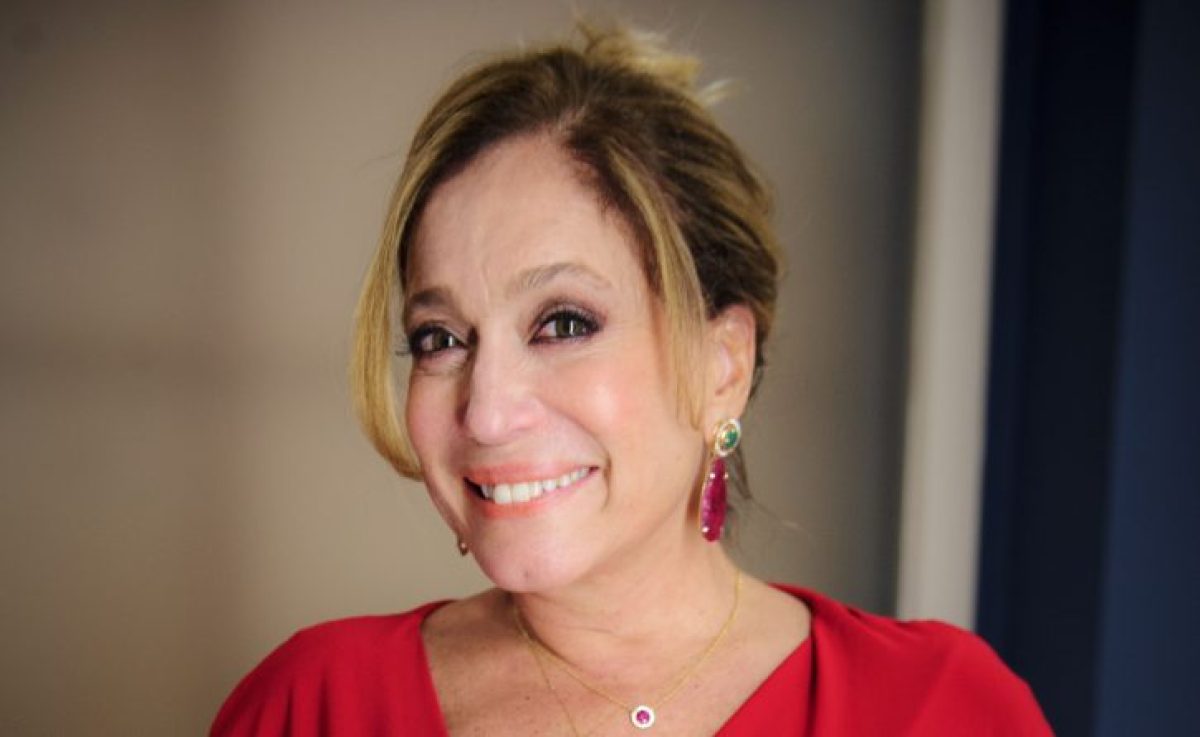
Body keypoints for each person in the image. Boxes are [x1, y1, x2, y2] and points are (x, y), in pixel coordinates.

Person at [211, 25, 1051, 736]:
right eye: (441, 338)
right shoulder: (312, 705)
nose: (487, 411)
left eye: (563, 323)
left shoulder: (941, 707)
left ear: (721, 366)